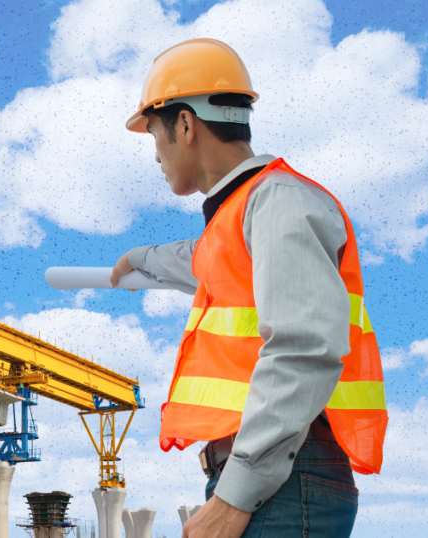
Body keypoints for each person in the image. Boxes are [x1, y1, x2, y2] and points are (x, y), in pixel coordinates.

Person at [110, 39, 388, 538]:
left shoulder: (277, 202)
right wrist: (136, 260)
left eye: (154, 134)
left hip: (281, 476)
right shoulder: (244, 215)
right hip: (278, 474)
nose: (155, 154)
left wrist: (233, 497)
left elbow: (304, 348)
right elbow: (194, 260)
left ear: (186, 125)